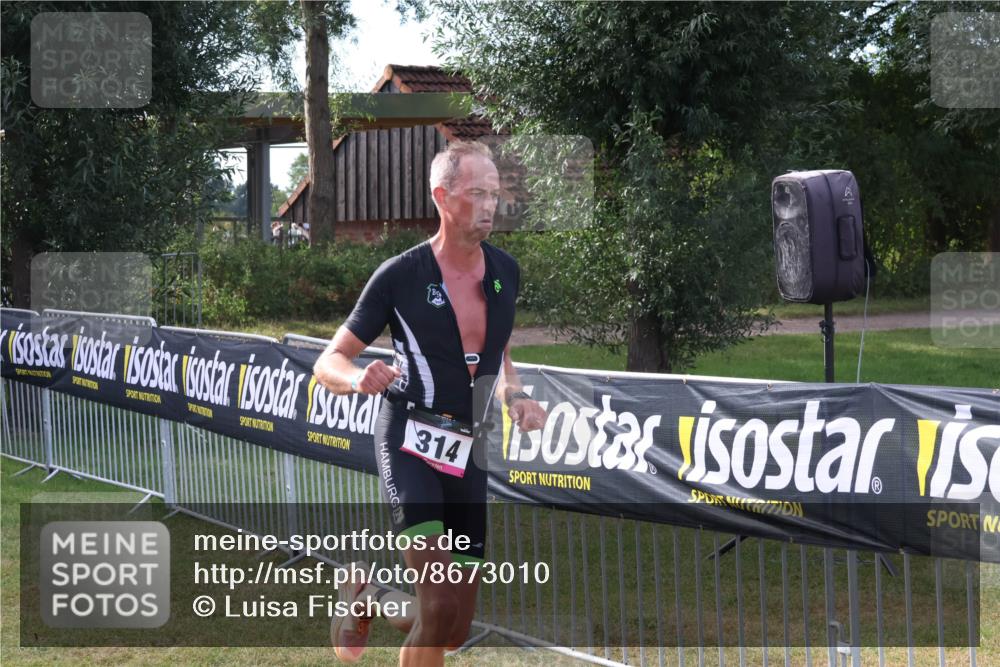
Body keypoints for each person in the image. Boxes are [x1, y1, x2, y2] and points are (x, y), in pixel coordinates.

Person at [312, 140, 547, 666]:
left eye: (495, 193)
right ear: (443, 196)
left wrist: (518, 397)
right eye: (477, 194)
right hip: (410, 442)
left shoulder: (506, 272)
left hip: (470, 454)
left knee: (453, 627)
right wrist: (357, 376)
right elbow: (328, 360)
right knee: (437, 602)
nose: (490, 205)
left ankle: (367, 595)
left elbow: (500, 357)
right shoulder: (400, 275)